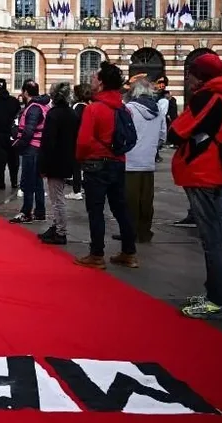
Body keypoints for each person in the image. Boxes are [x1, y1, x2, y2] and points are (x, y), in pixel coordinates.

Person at [168, 52, 222, 319]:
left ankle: (217, 299)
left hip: (202, 171)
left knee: (211, 238)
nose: (187, 76)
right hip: (216, 171)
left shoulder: (207, 98)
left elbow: (176, 132)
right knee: (213, 236)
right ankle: (214, 292)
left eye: (190, 72)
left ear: (199, 76)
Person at [74, 61, 138, 270]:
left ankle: (97, 254)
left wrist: (79, 158)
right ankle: (129, 253)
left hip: (96, 164)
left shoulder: (94, 109)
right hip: (118, 163)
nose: (91, 79)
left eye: (94, 77)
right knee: (121, 209)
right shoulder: (123, 109)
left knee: (96, 210)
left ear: (101, 83)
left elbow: (83, 142)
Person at [118, 77, 167, 243]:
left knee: (130, 199)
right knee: (146, 199)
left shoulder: (128, 108)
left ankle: (129, 232)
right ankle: (145, 231)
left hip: (130, 159)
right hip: (148, 161)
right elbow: (162, 135)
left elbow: (121, 132)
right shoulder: (158, 110)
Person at [38, 82, 78, 245]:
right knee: (57, 196)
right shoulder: (72, 114)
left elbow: (48, 142)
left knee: (57, 198)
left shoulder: (54, 114)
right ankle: (56, 226)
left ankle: (60, 230)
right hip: (67, 158)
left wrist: (42, 165)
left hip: (55, 161)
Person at [9, 80, 50, 223]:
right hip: (38, 146)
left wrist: (19, 144)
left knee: (28, 181)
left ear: (25, 92)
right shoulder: (43, 106)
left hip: (31, 148)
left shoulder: (33, 108)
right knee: (37, 181)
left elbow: (29, 130)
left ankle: (26, 212)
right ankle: (39, 211)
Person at [0, 78, 21, 190]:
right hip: (12, 134)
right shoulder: (14, 101)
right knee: (13, 159)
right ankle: (14, 182)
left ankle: (0, 182)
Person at [67, 83, 92, 201]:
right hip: (89, 140)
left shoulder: (76, 107)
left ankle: (77, 191)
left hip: (76, 140)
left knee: (76, 166)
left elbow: (72, 124)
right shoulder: (90, 106)